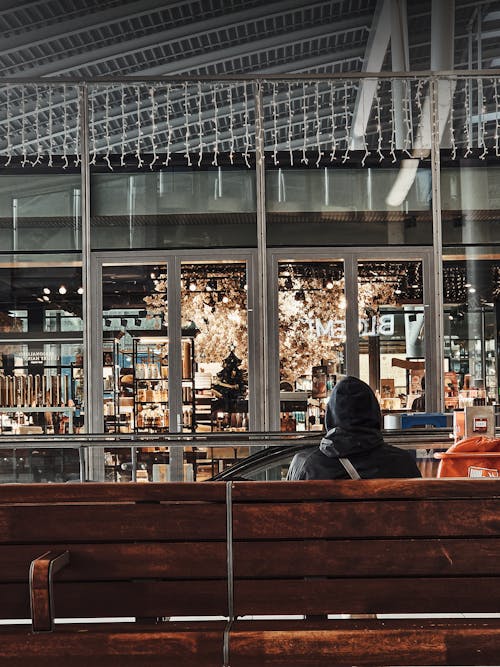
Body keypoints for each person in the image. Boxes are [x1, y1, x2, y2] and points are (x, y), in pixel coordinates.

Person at [287, 375, 421, 480]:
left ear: (330, 416)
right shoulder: (402, 463)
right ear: (375, 413)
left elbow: (287, 512)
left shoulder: (306, 464)